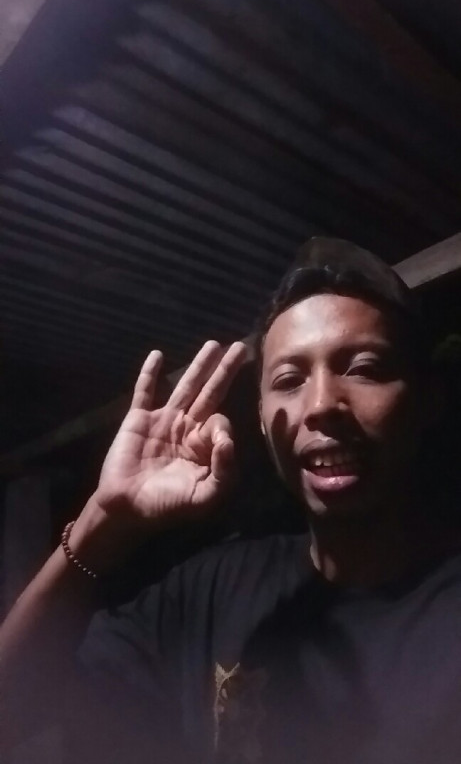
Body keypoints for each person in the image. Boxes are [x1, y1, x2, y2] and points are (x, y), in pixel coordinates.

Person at [2, 237, 461, 764]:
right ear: (263, 421)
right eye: (289, 380)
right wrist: (103, 521)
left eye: (363, 368)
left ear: (428, 400)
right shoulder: (208, 592)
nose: (320, 405)